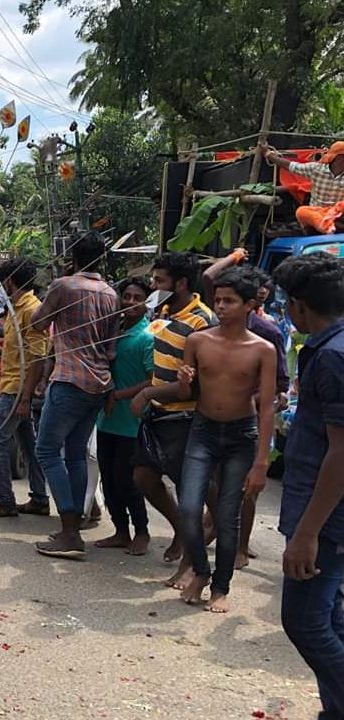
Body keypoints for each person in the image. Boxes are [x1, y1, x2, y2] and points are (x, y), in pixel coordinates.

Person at [143, 267, 276, 612]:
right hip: (202, 429)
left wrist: (262, 461)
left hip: (240, 435)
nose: (221, 306)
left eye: (229, 301)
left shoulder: (263, 349)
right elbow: (187, 389)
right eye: (218, 300)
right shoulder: (199, 340)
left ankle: (221, 586)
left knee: (227, 514)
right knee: (189, 508)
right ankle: (200, 571)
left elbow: (266, 409)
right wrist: (185, 377)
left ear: (249, 305)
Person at [272, 253, 344, 714]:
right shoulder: (328, 349)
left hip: (327, 518)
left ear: (298, 306)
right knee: (331, 616)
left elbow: (341, 452)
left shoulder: (332, 358)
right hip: (324, 512)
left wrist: (307, 533)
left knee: (305, 621)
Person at [30, 232, 119, 558]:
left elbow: (38, 323)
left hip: (68, 380)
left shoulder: (64, 286)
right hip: (98, 383)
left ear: (73, 256)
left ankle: (69, 532)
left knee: (47, 451)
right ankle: (73, 525)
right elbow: (111, 347)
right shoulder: (111, 293)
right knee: (75, 454)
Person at [129, 251, 215, 581]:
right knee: (143, 478)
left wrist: (149, 393)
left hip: (185, 418)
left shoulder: (202, 322)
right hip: (159, 415)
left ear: (181, 283)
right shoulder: (163, 311)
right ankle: (184, 530)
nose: (153, 285)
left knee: (194, 491)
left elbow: (197, 386)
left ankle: (194, 560)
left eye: (159, 280)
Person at [202, 251, 290, 568]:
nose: (223, 306)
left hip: (248, 419)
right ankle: (215, 529)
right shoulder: (216, 326)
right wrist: (233, 257)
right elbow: (209, 277)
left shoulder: (267, 335)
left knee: (245, 489)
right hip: (214, 420)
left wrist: (250, 402)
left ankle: (240, 545)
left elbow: (279, 386)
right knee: (215, 482)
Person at [0, 258, 50, 518]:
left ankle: (5, 501)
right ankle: (39, 498)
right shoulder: (16, 307)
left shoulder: (32, 309)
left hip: (17, 388)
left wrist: (26, 396)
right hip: (12, 384)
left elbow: (39, 356)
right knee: (29, 443)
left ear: (8, 281)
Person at [94, 278, 154, 556]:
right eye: (126, 296)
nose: (130, 302)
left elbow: (154, 380)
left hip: (132, 420)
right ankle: (120, 530)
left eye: (136, 297)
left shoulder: (147, 337)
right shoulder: (114, 331)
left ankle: (141, 531)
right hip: (107, 419)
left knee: (126, 479)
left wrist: (119, 395)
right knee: (107, 477)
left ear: (147, 301)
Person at [264, 143, 344, 234]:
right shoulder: (316, 168)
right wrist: (268, 154)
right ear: (339, 158)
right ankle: (326, 226)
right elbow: (289, 165)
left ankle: (327, 225)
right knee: (301, 211)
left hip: (338, 215)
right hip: (316, 213)